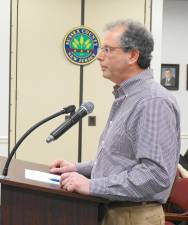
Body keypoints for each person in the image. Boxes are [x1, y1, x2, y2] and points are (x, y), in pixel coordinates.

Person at [50, 20, 180, 225]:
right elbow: (119, 160)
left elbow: (154, 176)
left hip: (133, 216)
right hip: (116, 211)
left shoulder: (152, 102)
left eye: (108, 49)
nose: (99, 56)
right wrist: (76, 168)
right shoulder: (127, 97)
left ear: (133, 55)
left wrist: (93, 186)